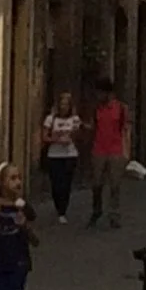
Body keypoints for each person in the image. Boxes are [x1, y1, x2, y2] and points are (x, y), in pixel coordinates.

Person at [87, 81, 130, 227]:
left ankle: (114, 214)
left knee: (115, 184)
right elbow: (93, 126)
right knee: (97, 183)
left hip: (115, 150)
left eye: (100, 93)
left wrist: (126, 151)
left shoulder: (121, 108)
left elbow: (125, 129)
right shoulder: (96, 109)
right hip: (99, 149)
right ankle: (97, 209)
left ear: (108, 93)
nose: (98, 95)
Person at [40, 91, 85, 220]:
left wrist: (74, 135)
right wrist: (56, 139)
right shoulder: (50, 119)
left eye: (66, 104)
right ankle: (57, 204)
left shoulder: (75, 119)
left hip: (70, 154)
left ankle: (62, 210)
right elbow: (44, 137)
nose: (64, 107)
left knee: (66, 183)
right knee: (56, 183)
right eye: (62, 104)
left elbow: (79, 136)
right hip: (54, 154)